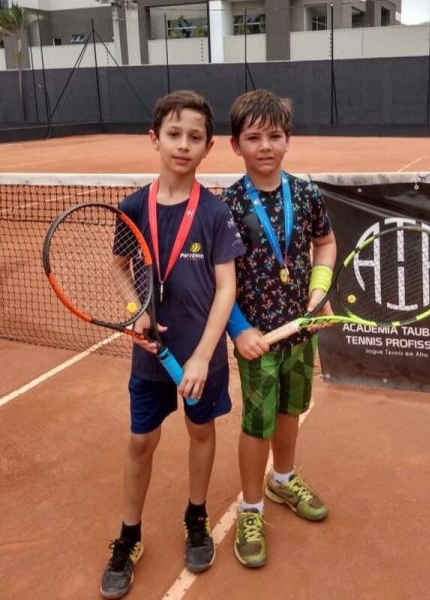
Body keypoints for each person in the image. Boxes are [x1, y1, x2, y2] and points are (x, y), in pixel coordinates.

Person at [100, 90, 245, 599]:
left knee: (200, 430)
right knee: (141, 441)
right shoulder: (132, 207)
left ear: (208, 147)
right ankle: (129, 535)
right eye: (174, 134)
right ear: (155, 139)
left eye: (195, 137)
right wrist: (134, 308)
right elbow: (119, 267)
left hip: (202, 355)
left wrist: (203, 355)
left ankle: (196, 516)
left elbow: (226, 288)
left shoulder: (215, 212)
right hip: (150, 358)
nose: (183, 145)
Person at [221, 88, 337, 568]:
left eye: (274, 136)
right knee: (257, 422)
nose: (265, 146)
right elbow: (218, 281)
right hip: (257, 341)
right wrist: (238, 329)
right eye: (253, 138)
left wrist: (320, 290)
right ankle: (251, 508)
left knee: (291, 409)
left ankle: (283, 479)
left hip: (301, 332)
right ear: (236, 145)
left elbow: (325, 243)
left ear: (288, 139)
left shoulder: (306, 194)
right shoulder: (227, 205)